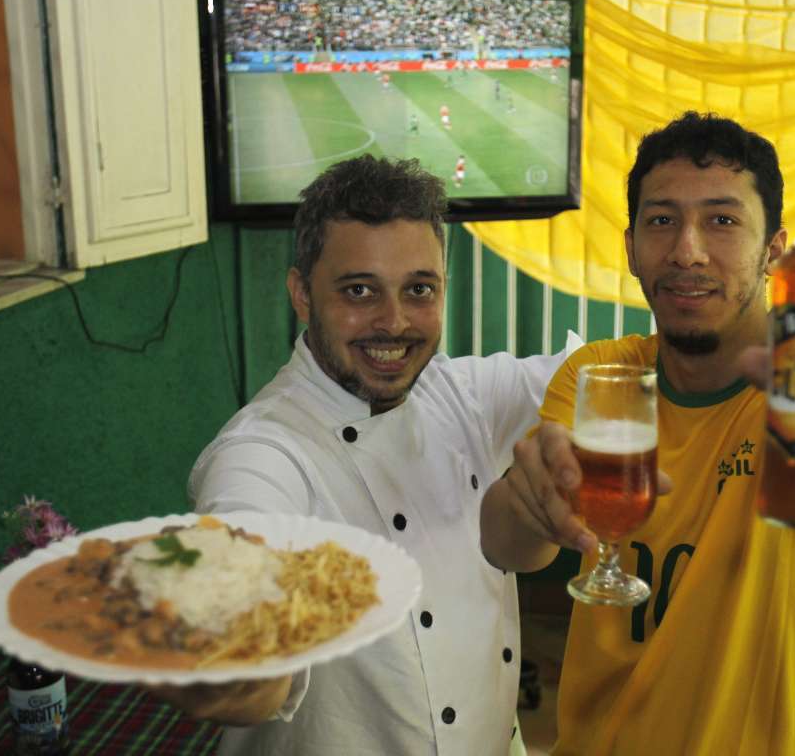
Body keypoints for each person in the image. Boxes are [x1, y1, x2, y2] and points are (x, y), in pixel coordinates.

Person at [479, 111, 795, 755]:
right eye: (662, 221)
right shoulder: (603, 376)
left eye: (723, 221)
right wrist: (530, 504)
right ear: (630, 247)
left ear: (775, 249)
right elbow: (507, 546)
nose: (688, 251)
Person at [159, 155, 571, 754]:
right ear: (302, 294)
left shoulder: (463, 395)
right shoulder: (263, 450)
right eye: (359, 290)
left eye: (419, 290)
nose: (394, 322)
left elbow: (612, 375)